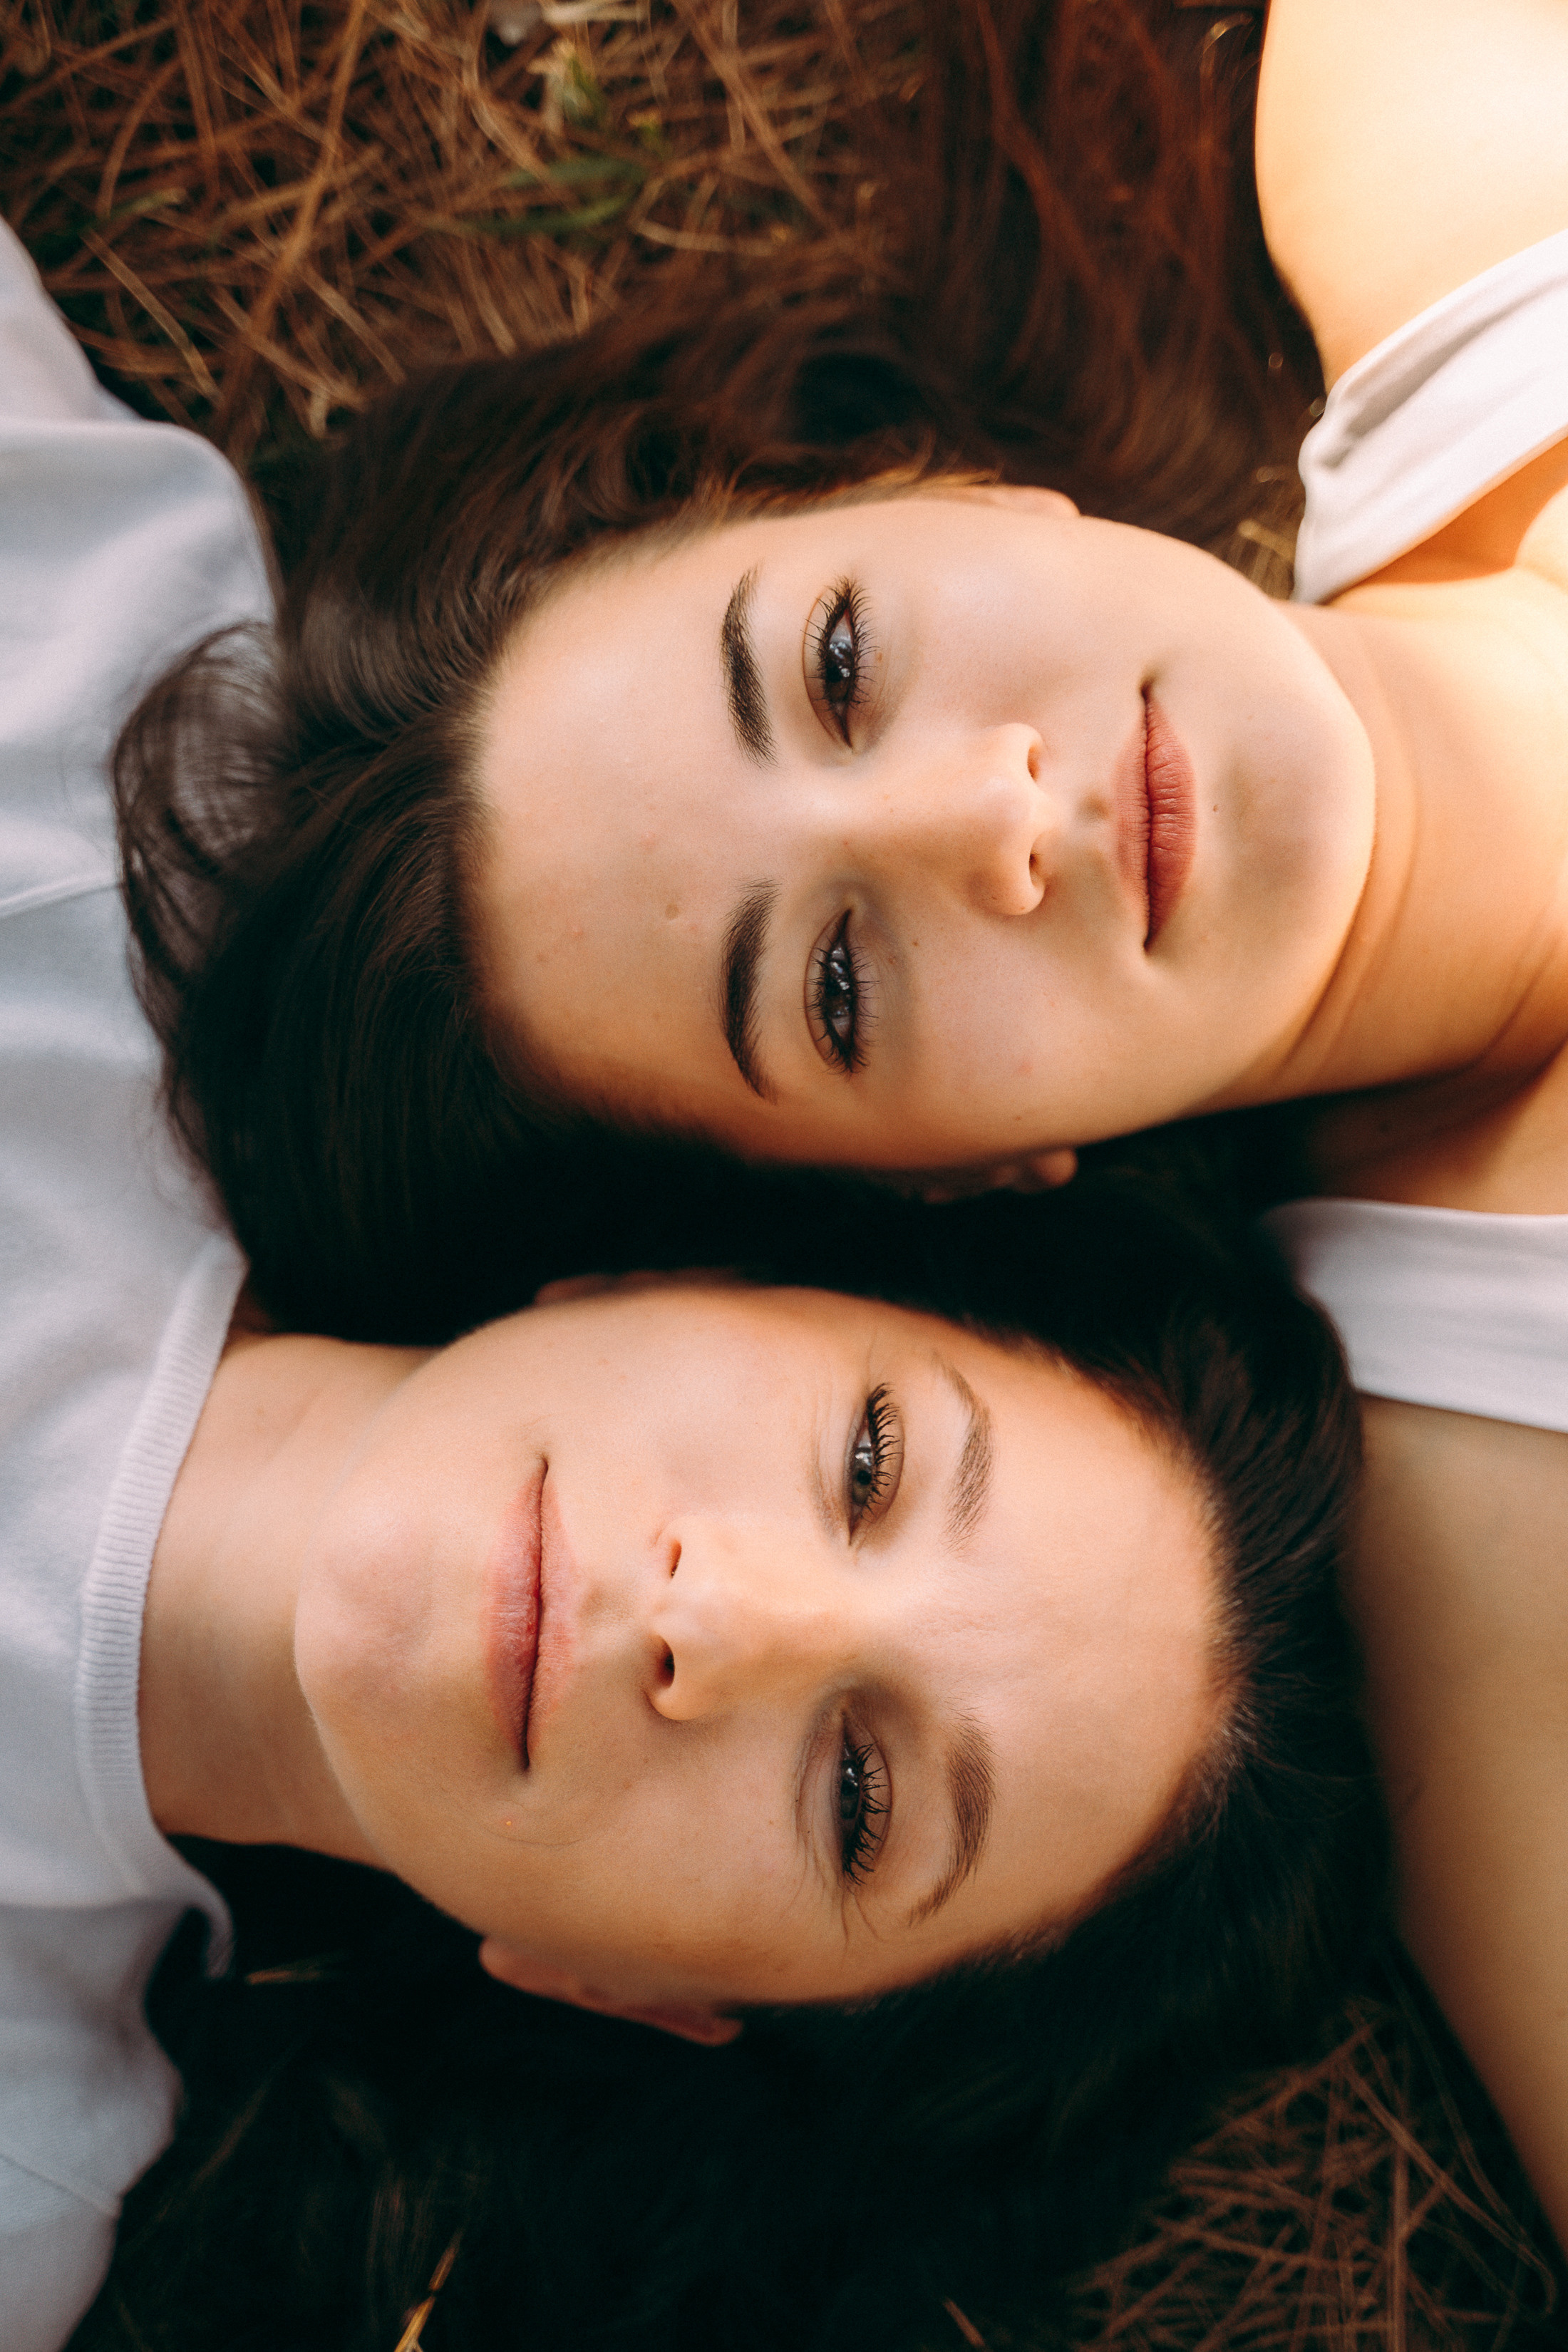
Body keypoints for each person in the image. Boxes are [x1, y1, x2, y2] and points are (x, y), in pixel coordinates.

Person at [107, 0, 1568, 2246]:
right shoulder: (1496, 1569)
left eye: (841, 665)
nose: (999, 819)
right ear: (934, 1183)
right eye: (842, 986)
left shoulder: (1426, 119)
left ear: (936, 495)